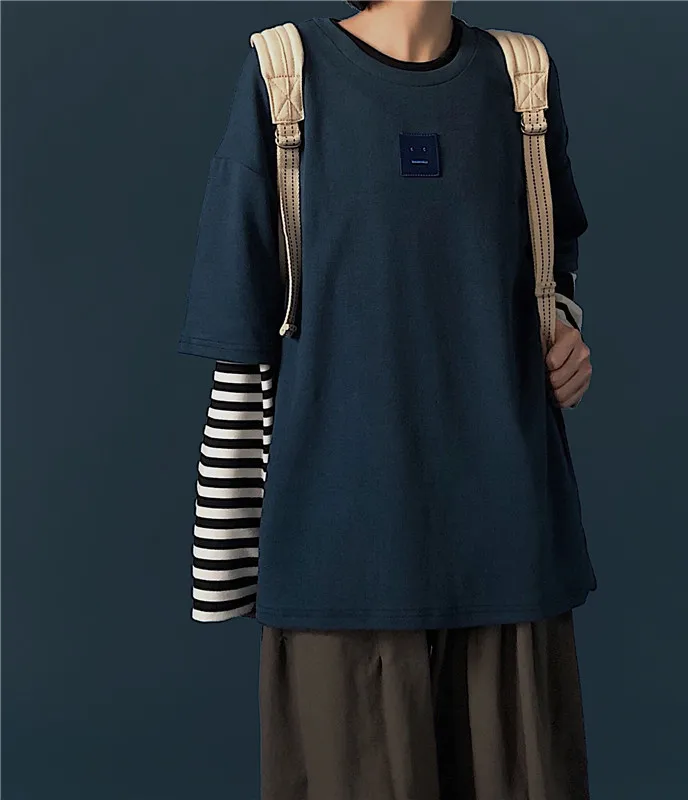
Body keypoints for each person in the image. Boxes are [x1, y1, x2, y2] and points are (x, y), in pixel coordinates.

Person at [177, 1, 597, 798]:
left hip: (509, 549)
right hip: (343, 567)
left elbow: (548, 268)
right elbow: (241, 338)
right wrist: (227, 567)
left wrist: (566, 333)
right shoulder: (285, 73)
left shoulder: (523, 78)